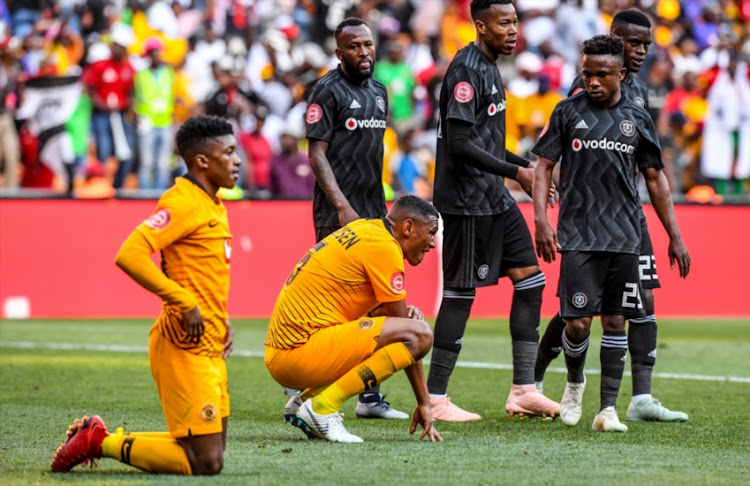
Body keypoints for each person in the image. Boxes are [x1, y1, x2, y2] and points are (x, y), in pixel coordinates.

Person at [50, 115, 241, 474]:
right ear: (202, 160)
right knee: (207, 463)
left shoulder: (213, 202)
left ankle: (98, 437)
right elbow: (130, 253)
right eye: (229, 152)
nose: (238, 160)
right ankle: (99, 442)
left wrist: (220, 315)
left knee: (206, 450)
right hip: (184, 345)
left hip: (212, 343)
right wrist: (183, 302)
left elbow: (200, 271)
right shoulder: (182, 201)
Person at [534, 9, 690, 423]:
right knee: (577, 315)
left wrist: (673, 233)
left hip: (627, 222)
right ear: (614, 42)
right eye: (631, 43)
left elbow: (653, 174)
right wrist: (551, 211)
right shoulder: (584, 91)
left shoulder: (638, 100)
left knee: (636, 302)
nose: (639, 51)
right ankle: (541, 379)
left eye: (645, 45)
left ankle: (635, 399)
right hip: (584, 221)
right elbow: (557, 155)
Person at [429, 0, 559, 422]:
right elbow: (460, 143)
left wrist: (520, 168)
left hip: (493, 196)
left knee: (531, 280)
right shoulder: (467, 68)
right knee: (460, 294)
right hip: (466, 199)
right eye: (504, 23)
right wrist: (515, 174)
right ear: (480, 26)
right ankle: (435, 398)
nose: (513, 30)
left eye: (516, 21)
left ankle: (523, 389)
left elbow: (482, 140)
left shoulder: (490, 66)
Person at [264, 195, 443, 443]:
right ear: (408, 227)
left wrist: (405, 322)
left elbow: (379, 316)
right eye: (431, 232)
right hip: (298, 353)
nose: (432, 243)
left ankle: (304, 401)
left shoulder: (366, 229)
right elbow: (410, 336)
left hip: (285, 353)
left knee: (406, 328)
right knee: (421, 334)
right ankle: (323, 407)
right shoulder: (384, 247)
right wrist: (424, 402)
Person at [300, 17, 407, 420]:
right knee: (337, 305)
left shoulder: (380, 92)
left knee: (377, 303)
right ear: (338, 52)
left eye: (367, 45)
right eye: (354, 47)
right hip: (337, 213)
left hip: (375, 213)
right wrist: (342, 205)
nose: (364, 53)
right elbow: (316, 153)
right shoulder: (326, 91)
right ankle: (309, 382)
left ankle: (368, 396)